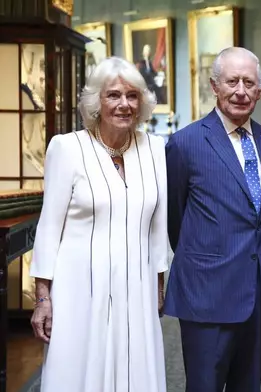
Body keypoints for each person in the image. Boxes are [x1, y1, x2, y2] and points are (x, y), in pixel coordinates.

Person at [29, 56, 168, 392]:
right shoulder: (67, 148)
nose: (124, 104)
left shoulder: (155, 149)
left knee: (136, 371)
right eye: (114, 95)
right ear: (96, 102)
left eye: (132, 96)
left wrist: (159, 284)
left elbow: (158, 225)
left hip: (137, 288)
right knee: (78, 373)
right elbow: (49, 227)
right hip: (80, 291)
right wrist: (43, 298)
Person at [164, 46, 261, 392]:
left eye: (249, 83)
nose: (241, 91)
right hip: (207, 293)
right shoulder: (185, 144)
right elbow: (176, 219)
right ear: (214, 86)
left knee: (249, 385)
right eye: (232, 81)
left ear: (260, 91)